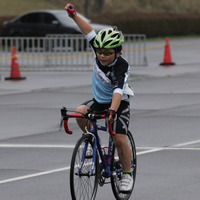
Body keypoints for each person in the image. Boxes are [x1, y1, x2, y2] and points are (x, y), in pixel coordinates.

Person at [65, 3, 134, 193]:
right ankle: (90, 144)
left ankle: (127, 173)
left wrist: (112, 110)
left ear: (117, 52)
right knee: (80, 113)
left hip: (118, 103)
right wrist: (73, 15)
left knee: (119, 139)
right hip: (98, 101)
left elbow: (118, 90)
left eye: (107, 53)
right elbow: (87, 30)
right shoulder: (100, 47)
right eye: (99, 52)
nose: (102, 56)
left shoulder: (122, 65)